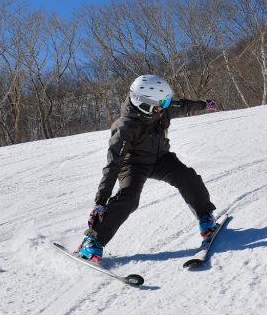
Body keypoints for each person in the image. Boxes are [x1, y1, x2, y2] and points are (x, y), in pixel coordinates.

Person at [77, 75, 219, 263]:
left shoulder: (161, 109)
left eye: (167, 101)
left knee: (187, 176)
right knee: (129, 198)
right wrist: (100, 202)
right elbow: (113, 165)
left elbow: (182, 106)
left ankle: (205, 218)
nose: (166, 105)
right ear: (145, 104)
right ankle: (92, 240)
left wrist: (204, 104)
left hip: (160, 158)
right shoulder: (125, 127)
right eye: (163, 102)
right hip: (133, 164)